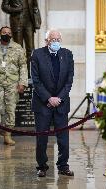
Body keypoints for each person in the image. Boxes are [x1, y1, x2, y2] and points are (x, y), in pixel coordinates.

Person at [31, 30, 74, 177]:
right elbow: (36, 81)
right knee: (42, 137)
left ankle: (63, 165)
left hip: (61, 103)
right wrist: (49, 98)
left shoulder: (67, 54)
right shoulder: (37, 54)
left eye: (58, 39)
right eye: (52, 39)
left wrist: (59, 98)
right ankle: (42, 166)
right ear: (46, 40)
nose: (55, 41)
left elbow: (69, 80)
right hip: (43, 103)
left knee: (63, 138)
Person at [0, 26, 28, 146]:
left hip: (12, 83)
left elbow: (23, 66)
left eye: (8, 33)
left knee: (10, 109)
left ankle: (8, 135)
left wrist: (22, 83)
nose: (6, 34)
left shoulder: (18, 48)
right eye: (4, 32)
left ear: (11, 34)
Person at [1, 0, 41, 64]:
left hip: (29, 23)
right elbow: (4, 6)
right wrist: (15, 9)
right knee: (18, 49)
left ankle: (30, 70)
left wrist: (37, 22)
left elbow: (35, 7)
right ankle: (20, 70)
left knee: (31, 49)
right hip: (17, 23)